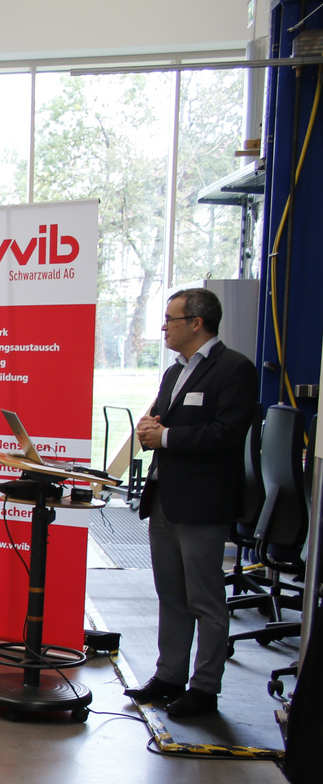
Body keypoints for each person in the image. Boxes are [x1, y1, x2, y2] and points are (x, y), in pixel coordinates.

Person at [123, 287, 258, 718]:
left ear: (196, 323)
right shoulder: (173, 372)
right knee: (171, 596)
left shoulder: (234, 369)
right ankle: (169, 675)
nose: (163, 327)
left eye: (170, 319)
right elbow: (164, 420)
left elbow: (228, 433)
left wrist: (167, 437)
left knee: (206, 600)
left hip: (202, 503)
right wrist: (150, 427)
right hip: (165, 498)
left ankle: (204, 687)